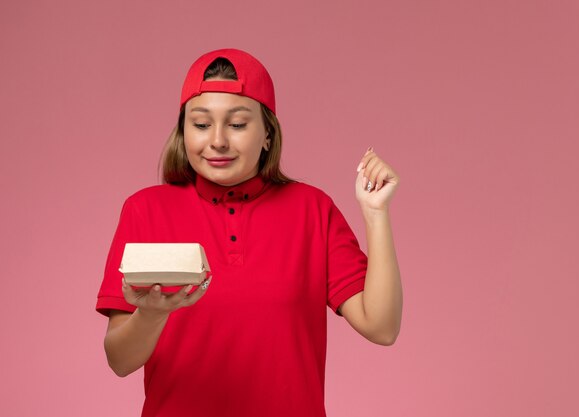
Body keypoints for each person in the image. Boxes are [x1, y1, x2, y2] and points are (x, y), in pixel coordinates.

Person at [96, 48, 402, 417]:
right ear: (183, 131)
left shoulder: (312, 210)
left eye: (238, 124)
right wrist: (152, 314)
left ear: (268, 135)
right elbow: (119, 361)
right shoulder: (145, 210)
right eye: (201, 124)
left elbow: (381, 327)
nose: (218, 140)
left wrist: (376, 214)